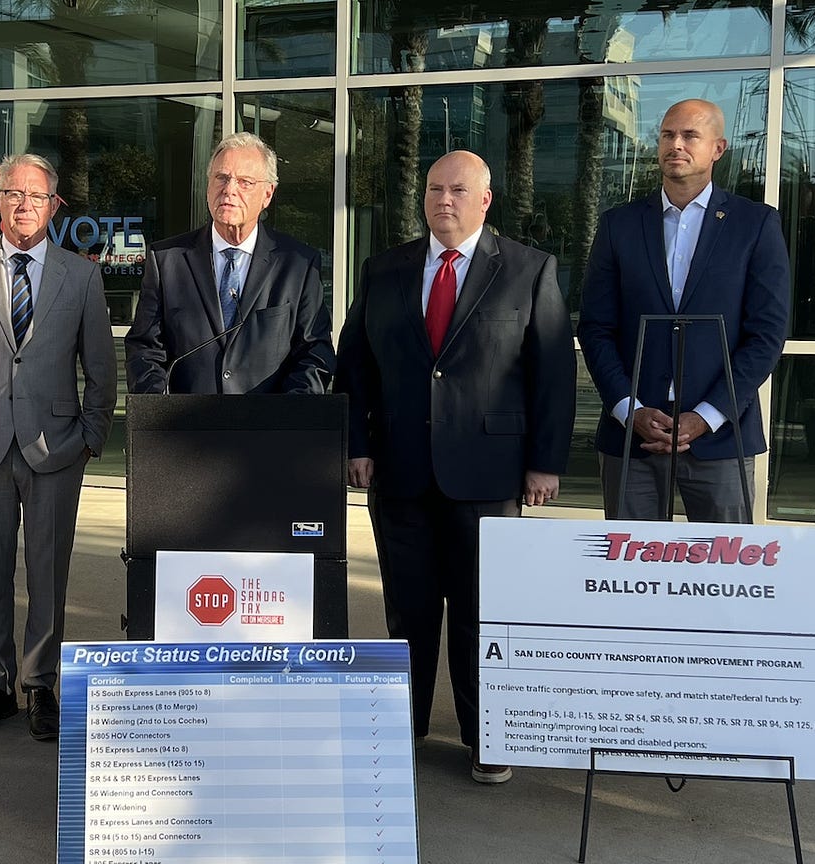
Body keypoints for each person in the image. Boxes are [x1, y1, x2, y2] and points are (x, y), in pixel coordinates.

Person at [336, 150, 575, 785]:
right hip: (400, 470)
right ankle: (401, 729)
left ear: (486, 200)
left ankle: (484, 738)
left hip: (489, 474)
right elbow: (354, 364)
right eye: (434, 189)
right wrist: (356, 444)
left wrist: (545, 463)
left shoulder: (527, 269)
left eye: (459, 190)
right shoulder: (383, 270)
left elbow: (552, 374)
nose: (445, 200)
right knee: (406, 611)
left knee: (480, 614)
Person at [0, 153, 117, 742]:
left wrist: (91, 434)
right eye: (13, 194)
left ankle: (40, 684)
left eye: (36, 196)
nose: (24, 205)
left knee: (47, 570)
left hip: (57, 447)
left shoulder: (80, 275)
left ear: (53, 205)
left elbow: (102, 368)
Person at [577, 98, 789, 521]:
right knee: (631, 577)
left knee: (723, 579)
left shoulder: (755, 224)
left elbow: (766, 334)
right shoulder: (619, 225)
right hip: (632, 437)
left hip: (721, 436)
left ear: (718, 148)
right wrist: (628, 409)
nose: (676, 144)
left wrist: (707, 416)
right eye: (668, 135)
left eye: (690, 135)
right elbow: (596, 327)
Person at [125, 131, 334, 394]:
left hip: (267, 428)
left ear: (267, 194)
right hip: (185, 429)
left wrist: (286, 420)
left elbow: (314, 354)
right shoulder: (167, 260)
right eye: (221, 178)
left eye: (245, 182)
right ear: (208, 185)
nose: (229, 190)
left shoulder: (298, 265)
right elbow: (145, 349)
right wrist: (159, 416)